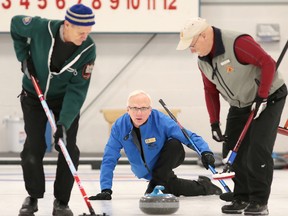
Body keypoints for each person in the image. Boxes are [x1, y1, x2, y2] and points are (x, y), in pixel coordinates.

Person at [176, 17, 287, 215]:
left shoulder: (237, 43)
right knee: (231, 150)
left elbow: (268, 63)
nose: (191, 50)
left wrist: (262, 96)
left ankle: (259, 201)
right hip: (240, 103)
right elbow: (210, 90)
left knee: (258, 149)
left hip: (269, 97)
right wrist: (214, 121)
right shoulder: (203, 61)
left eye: (192, 45)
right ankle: (242, 197)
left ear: (203, 35)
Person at [10, 3, 96, 216]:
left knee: (68, 148)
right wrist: (23, 57)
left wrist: (63, 124)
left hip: (64, 101)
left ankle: (61, 202)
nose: (85, 37)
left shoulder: (88, 49)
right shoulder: (41, 28)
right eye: (81, 32)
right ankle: (33, 196)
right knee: (33, 147)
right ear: (67, 24)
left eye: (88, 32)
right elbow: (14, 24)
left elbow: (77, 91)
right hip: (34, 97)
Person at [89, 90, 222, 201]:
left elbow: (188, 136)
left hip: (169, 158)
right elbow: (109, 157)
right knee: (171, 186)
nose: (139, 113)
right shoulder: (119, 127)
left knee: (174, 143)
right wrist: (106, 189)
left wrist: (205, 152)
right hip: (145, 171)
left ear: (150, 110)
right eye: (135, 108)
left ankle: (154, 186)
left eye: (144, 108)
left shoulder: (161, 120)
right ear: (128, 109)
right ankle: (205, 186)